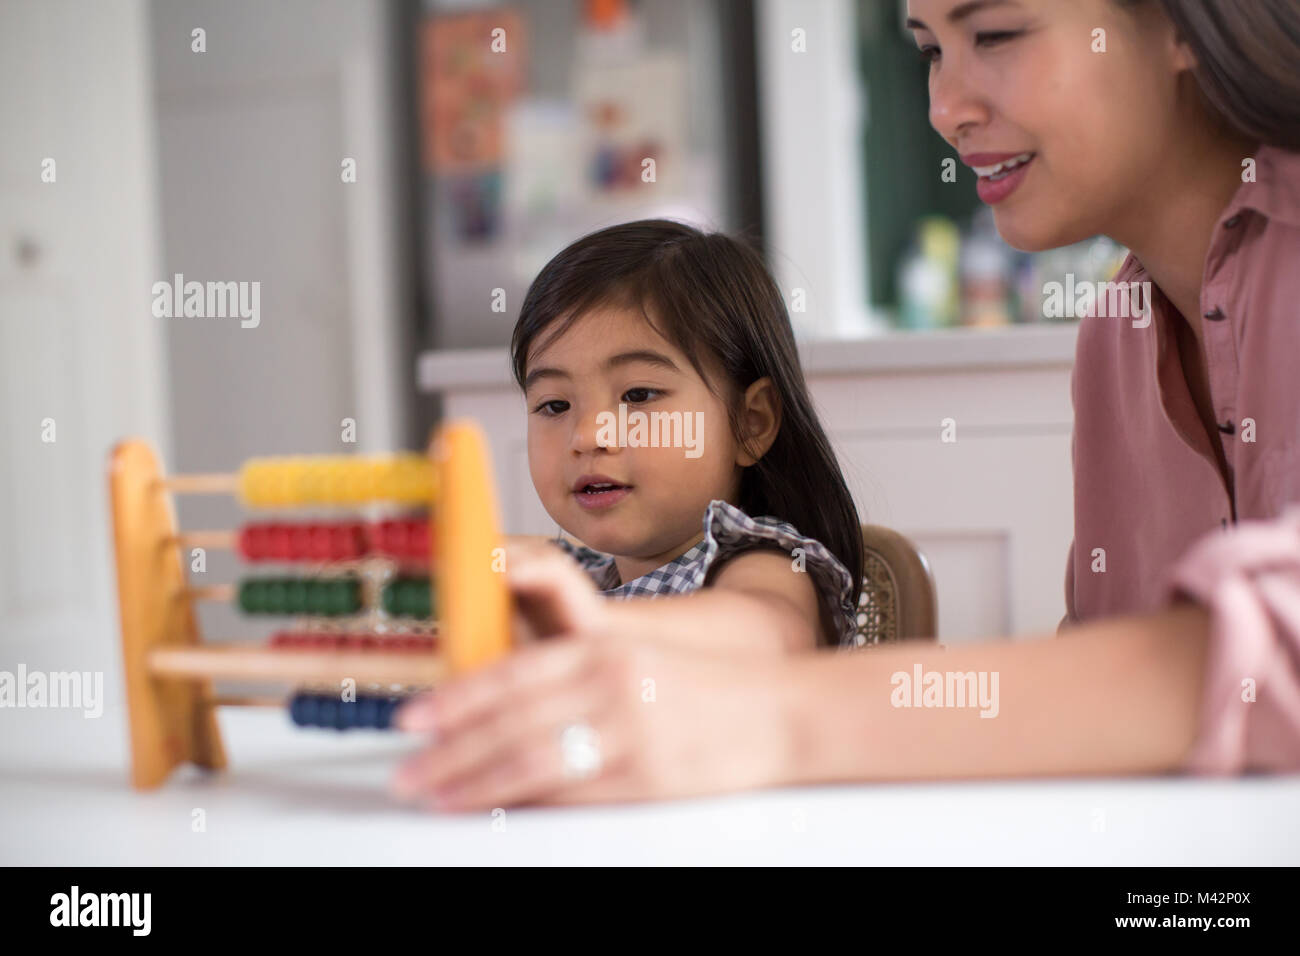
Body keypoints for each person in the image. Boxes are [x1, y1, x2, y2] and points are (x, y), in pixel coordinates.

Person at [391, 0, 1300, 811]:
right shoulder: (1115, 338)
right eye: (929, 50)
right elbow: (1117, 710)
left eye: (996, 33)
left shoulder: (761, 565)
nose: (946, 109)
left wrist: (766, 721)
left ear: (1186, 21)